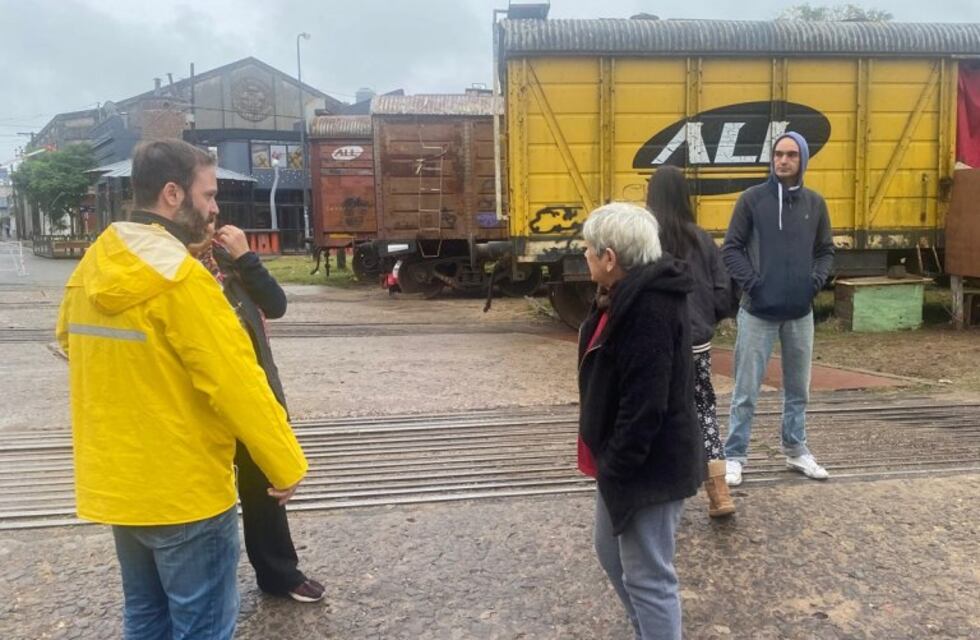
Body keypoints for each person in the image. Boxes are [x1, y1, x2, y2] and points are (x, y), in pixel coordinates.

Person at [56, 139, 308, 640]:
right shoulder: (182, 280)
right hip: (185, 489)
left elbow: (69, 342)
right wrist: (285, 461)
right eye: (209, 195)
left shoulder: (91, 269)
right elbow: (237, 381)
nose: (215, 208)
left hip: (123, 484)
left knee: (146, 618)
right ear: (173, 194)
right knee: (203, 627)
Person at [577, 202, 704, 640]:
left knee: (649, 575)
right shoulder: (621, 295)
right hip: (624, 461)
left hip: (648, 466)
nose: (585, 257)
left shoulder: (649, 308)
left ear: (610, 257)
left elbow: (646, 406)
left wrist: (616, 465)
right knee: (611, 555)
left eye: (589, 250)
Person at [191, 222, 325, 603]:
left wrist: (246, 257)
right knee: (201, 496)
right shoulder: (173, 270)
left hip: (251, 391)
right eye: (207, 199)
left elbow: (276, 305)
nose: (214, 214)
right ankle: (202, 587)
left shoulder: (228, 264)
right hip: (199, 403)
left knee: (264, 484)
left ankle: (278, 574)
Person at [721, 132, 835, 487]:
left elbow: (826, 250)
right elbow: (731, 249)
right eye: (778, 154)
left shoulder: (815, 204)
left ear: (802, 160)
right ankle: (735, 456)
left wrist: (813, 282)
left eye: (790, 155)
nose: (782, 160)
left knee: (798, 388)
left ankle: (795, 449)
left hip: (800, 313)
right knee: (746, 391)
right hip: (757, 312)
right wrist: (754, 284)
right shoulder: (752, 200)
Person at [646, 166, 735, 518]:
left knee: (656, 410)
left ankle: (661, 495)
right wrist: (703, 321)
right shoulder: (701, 239)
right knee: (703, 410)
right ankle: (720, 493)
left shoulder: (647, 239)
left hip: (657, 344)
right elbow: (722, 289)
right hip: (695, 344)